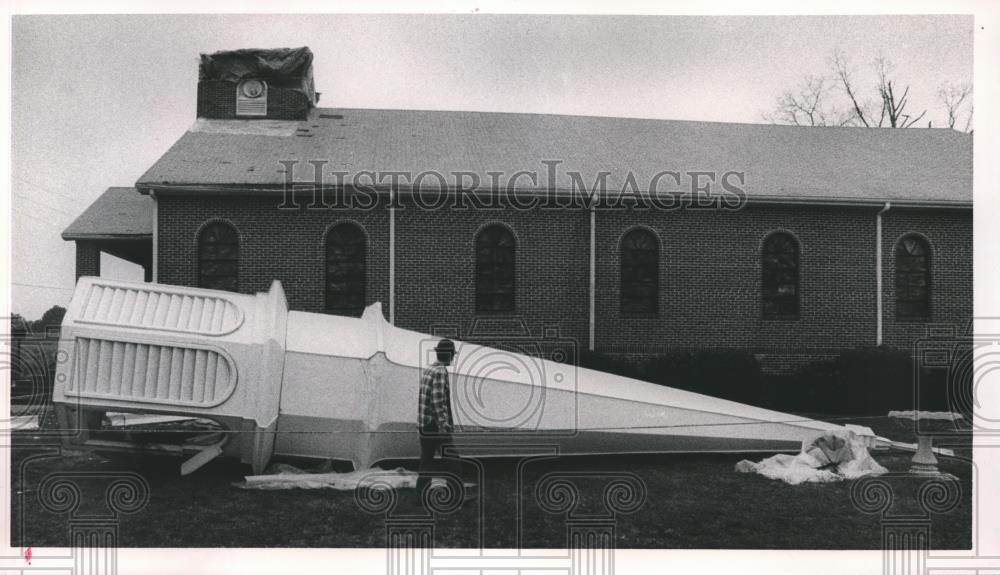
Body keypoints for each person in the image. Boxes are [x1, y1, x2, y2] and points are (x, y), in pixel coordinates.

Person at [416, 338, 462, 497]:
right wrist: (443, 425)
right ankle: (456, 496)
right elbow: (437, 401)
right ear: (448, 355)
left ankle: (420, 497)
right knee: (453, 461)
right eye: (452, 354)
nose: (453, 357)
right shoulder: (440, 372)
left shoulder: (429, 369)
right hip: (435, 427)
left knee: (426, 463)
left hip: (424, 425)